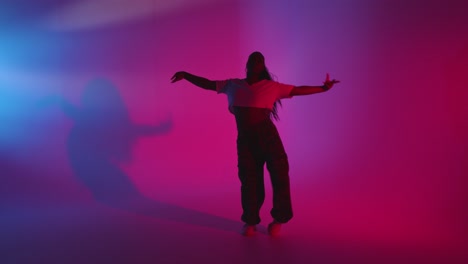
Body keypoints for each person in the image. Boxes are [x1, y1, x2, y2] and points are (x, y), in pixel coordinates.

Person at [171, 51, 339, 236]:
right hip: (245, 140)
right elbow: (209, 84)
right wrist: (186, 75)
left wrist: (323, 88)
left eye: (260, 59)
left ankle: (279, 220)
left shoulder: (272, 87)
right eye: (254, 58)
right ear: (248, 64)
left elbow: (298, 90)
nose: (257, 60)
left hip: (268, 137)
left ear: (263, 66)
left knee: (280, 175)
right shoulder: (233, 84)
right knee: (249, 181)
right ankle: (250, 221)